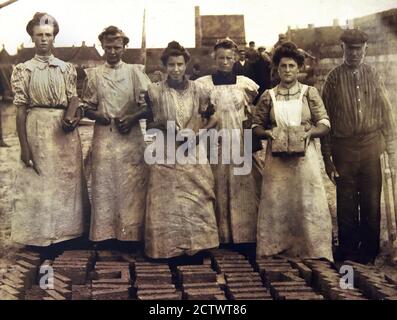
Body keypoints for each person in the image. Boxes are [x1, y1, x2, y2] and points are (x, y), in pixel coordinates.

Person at [10, 13, 87, 254]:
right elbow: (21, 110)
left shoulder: (66, 69)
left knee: (66, 182)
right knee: (40, 183)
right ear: (32, 37)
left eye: (48, 35)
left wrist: (71, 116)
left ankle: (66, 235)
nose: (44, 39)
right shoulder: (23, 70)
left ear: (54, 38)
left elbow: (73, 97)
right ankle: (40, 237)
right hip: (38, 128)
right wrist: (24, 146)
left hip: (63, 131)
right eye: (39, 35)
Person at [321, 29, 397, 264]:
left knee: (371, 201)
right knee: (346, 202)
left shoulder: (374, 75)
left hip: (371, 145)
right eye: (349, 49)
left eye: (358, 49)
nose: (354, 54)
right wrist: (327, 157)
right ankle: (349, 251)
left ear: (366, 49)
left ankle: (369, 252)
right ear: (342, 49)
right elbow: (325, 119)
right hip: (344, 148)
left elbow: (386, 112)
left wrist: (392, 149)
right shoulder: (333, 78)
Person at [253, 42, 333, 260]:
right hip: (277, 163)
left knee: (307, 203)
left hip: (304, 160)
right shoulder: (268, 95)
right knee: (278, 204)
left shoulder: (309, 93)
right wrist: (267, 134)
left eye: (291, 66)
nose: (287, 70)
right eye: (283, 66)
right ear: (276, 69)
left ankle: (313, 251)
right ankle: (277, 249)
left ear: (299, 68)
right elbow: (256, 125)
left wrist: (310, 134)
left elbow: (325, 123)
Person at [144, 41, 219, 259]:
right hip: (165, 149)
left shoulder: (199, 90)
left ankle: (198, 246)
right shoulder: (154, 91)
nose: (175, 69)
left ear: (186, 65)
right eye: (171, 65)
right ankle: (167, 248)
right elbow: (149, 123)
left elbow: (214, 118)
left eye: (179, 64)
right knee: (166, 198)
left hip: (193, 148)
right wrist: (166, 128)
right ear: (164, 66)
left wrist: (199, 134)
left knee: (198, 194)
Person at [82, 26, 151, 246]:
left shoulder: (135, 72)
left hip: (130, 137)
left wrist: (132, 117)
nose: (112, 52)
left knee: (131, 185)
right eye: (108, 47)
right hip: (104, 136)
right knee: (104, 184)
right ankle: (105, 236)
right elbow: (86, 107)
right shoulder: (93, 75)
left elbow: (150, 105)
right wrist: (97, 115)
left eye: (117, 47)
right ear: (102, 46)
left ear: (124, 47)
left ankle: (130, 236)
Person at [196, 39, 262, 244]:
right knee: (217, 185)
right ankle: (220, 235)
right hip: (214, 141)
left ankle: (242, 235)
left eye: (228, 58)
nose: (224, 62)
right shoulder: (203, 84)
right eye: (220, 58)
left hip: (238, 140)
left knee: (241, 186)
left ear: (235, 59)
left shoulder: (244, 84)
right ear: (214, 59)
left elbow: (251, 113)